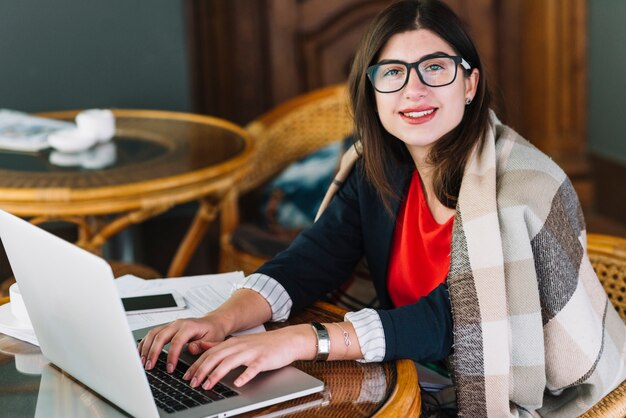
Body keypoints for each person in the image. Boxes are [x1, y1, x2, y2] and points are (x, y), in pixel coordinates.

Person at [139, 0, 626, 415]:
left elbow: (460, 318)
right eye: (393, 73)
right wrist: (222, 320)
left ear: (469, 83)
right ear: (372, 94)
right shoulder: (379, 169)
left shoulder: (524, 188)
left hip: (546, 398)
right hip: (418, 375)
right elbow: (315, 257)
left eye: (435, 67)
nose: (414, 90)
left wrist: (300, 339)